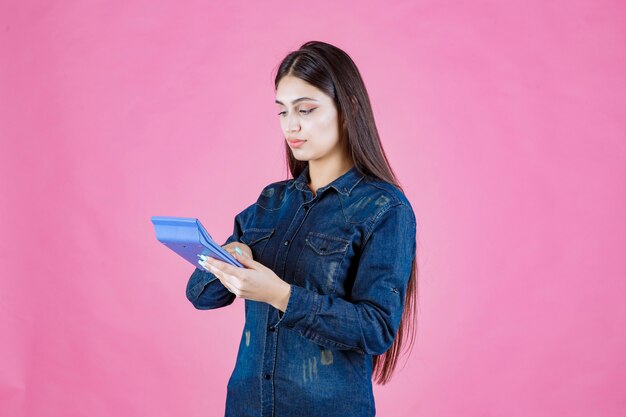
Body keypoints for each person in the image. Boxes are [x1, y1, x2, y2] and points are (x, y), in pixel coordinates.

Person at [186, 40, 418, 417]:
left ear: (349, 109)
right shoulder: (270, 203)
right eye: (282, 112)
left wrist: (282, 296)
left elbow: (376, 329)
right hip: (246, 407)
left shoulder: (384, 208)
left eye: (306, 110)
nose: (291, 126)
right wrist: (231, 257)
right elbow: (201, 295)